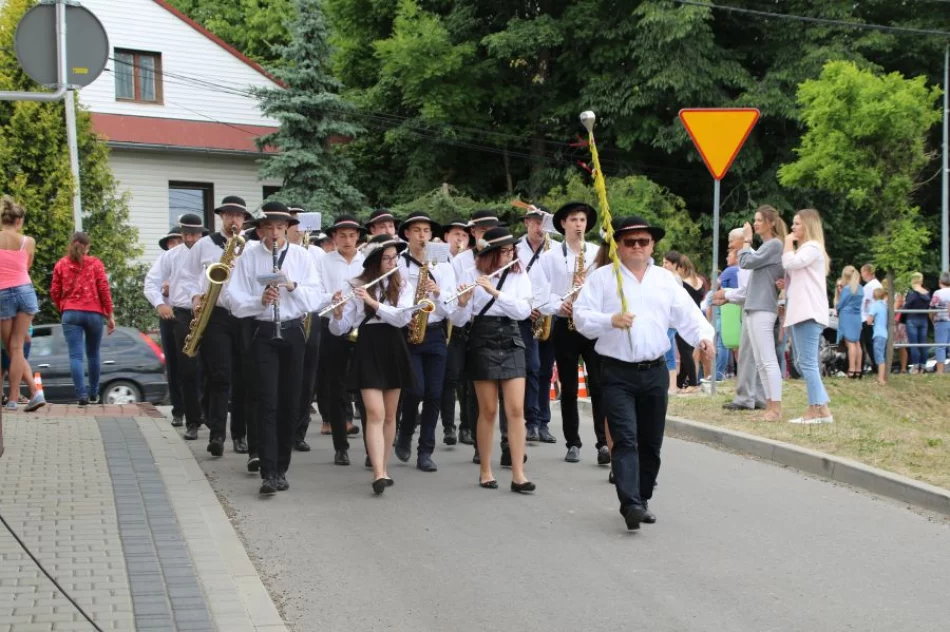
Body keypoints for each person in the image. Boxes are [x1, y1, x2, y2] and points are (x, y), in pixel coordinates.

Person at [573, 216, 713, 531]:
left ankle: (643, 496)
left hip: (654, 371)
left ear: (652, 245)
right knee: (625, 439)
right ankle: (630, 503)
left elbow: (688, 316)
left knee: (651, 443)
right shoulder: (602, 278)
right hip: (616, 371)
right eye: (630, 241)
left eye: (643, 241)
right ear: (618, 246)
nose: (637, 247)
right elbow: (581, 318)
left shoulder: (666, 280)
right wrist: (611, 319)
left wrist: (704, 337)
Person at [228, 202, 323, 495]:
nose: (274, 233)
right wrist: (261, 300)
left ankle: (282, 466)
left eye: (280, 228)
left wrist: (292, 286)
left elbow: (315, 299)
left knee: (290, 402)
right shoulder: (248, 257)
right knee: (266, 401)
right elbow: (234, 300)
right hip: (263, 332)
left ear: (287, 229)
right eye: (268, 227)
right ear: (260, 230)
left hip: (293, 331)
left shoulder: (302, 257)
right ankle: (269, 471)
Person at [329, 234, 415, 494]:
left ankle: (383, 467)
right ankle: (378, 472)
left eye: (394, 257)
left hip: (393, 345)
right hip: (368, 345)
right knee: (375, 413)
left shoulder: (403, 285)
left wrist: (373, 302)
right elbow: (341, 328)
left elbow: (401, 319)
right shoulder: (357, 284)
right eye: (387, 258)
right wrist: (337, 314)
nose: (392, 262)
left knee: (390, 415)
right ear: (375, 261)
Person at [456, 226, 535, 493]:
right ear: (490, 254)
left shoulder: (519, 274)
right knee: (488, 410)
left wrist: (496, 293)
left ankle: (518, 474)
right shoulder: (471, 274)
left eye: (511, 249)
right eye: (504, 251)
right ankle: (485, 470)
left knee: (515, 410)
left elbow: (524, 311)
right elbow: (458, 319)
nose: (510, 254)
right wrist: (463, 300)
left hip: (511, 337)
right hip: (482, 337)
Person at [537, 202, 606, 465]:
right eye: (574, 220)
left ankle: (602, 442)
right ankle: (573, 442)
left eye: (582, 220)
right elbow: (542, 295)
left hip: (591, 326)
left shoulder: (598, 253)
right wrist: (559, 304)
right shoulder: (550, 257)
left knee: (599, 384)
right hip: (565, 325)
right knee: (567, 388)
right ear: (563, 224)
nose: (579, 225)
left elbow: (606, 289)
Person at [394, 212, 461, 471]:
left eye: (426, 231)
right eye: (417, 231)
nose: (422, 236)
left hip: (434, 332)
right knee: (414, 390)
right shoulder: (399, 263)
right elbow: (391, 299)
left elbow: (453, 307)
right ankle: (405, 433)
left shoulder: (443, 265)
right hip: (408, 330)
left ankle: (425, 451)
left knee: (434, 393)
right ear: (407, 234)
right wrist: (406, 315)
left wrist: (438, 292)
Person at [316, 215, 366, 465]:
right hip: (331, 326)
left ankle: (372, 449)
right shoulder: (323, 261)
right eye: (342, 235)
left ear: (358, 236)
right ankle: (340, 445)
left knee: (367, 386)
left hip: (362, 327)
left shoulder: (367, 262)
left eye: (351, 235)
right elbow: (315, 291)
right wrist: (331, 300)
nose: (347, 240)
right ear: (334, 237)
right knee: (335, 387)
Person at [50, 232, 116, 405]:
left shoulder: (61, 264)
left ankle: (81, 396)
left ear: (71, 244)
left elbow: (54, 291)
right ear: (88, 246)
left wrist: (63, 307)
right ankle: (94, 393)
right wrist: (109, 315)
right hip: (94, 314)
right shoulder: (95, 264)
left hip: (71, 313)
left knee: (75, 357)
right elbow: (104, 290)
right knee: (93, 354)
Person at [782, 209, 833, 424]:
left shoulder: (812, 248)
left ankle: (816, 410)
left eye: (797, 224)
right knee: (804, 361)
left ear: (808, 226)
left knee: (808, 363)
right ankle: (821, 409)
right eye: (793, 225)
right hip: (803, 312)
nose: (793, 228)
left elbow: (789, 263)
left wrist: (787, 242)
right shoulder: (809, 250)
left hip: (808, 312)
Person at [738, 205, 786, 422]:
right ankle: (769, 404)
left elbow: (746, 262)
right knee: (759, 360)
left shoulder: (774, 245)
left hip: (763, 307)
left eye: (759, 220)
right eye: (755, 220)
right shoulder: (768, 246)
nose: (755, 224)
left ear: (770, 223)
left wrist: (747, 241)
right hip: (754, 305)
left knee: (768, 360)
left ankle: (776, 408)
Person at [167, 215, 211, 443]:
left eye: (194, 234)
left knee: (212, 366)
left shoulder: (210, 249)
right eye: (185, 234)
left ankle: (212, 418)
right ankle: (193, 420)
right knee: (187, 366)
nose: (189, 238)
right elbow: (152, 281)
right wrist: (160, 303)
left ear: (201, 234)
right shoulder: (172, 255)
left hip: (211, 310)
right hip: (184, 312)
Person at [514, 205, 556, 444]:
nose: (540, 228)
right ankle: (531, 420)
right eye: (536, 222)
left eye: (544, 223)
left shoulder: (556, 249)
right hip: (525, 314)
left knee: (546, 370)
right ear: (526, 223)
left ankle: (543, 423)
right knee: (532, 367)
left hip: (549, 313)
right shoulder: (516, 249)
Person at [0, 196, 45, 412]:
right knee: (17, 346)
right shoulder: (29, 241)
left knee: (10, 347)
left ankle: (16, 398)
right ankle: (16, 398)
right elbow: (27, 266)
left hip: (2, 294)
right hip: (25, 292)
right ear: (19, 221)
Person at [287, 205, 325, 453]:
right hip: (288, 320)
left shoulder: (317, 253)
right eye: (295, 226)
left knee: (307, 379)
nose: (300, 230)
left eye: (303, 226)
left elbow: (320, 288)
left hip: (311, 317)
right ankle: (284, 428)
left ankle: (299, 431)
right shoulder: (283, 253)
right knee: (289, 379)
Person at [440, 218, 477, 446]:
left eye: (464, 235)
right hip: (445, 322)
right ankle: (448, 427)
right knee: (449, 378)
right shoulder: (439, 258)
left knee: (467, 380)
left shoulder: (471, 260)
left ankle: (466, 426)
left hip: (465, 322)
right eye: (455, 234)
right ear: (446, 237)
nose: (460, 239)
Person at [144, 228, 185, 425]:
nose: (176, 245)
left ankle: (200, 409)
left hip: (192, 313)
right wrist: (161, 299)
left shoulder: (194, 257)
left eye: (179, 240)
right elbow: (151, 284)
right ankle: (178, 410)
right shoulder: (165, 261)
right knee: (174, 363)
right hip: (170, 315)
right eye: (172, 242)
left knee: (198, 364)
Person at [834, 265, 864, 378]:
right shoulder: (860, 288)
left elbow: (840, 304)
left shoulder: (847, 289)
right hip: (857, 316)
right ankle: (858, 369)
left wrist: (837, 306)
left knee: (850, 343)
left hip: (847, 316)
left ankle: (851, 370)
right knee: (857, 343)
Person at [903, 272, 931, 373]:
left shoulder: (912, 293)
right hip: (923, 319)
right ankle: (923, 365)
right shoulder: (927, 293)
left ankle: (915, 366)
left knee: (914, 344)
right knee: (923, 343)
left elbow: (907, 306)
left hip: (912, 319)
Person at [859, 264, 882, 373]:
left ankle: (875, 365)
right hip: (876, 317)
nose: (861, 275)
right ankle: (877, 365)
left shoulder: (868, 286)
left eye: (862, 272)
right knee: (874, 343)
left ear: (867, 272)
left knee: (869, 343)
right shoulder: (878, 284)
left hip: (867, 317)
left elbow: (865, 303)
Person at [867, 288, 890, 385]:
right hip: (885, 333)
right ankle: (881, 377)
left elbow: (869, 321)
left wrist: (870, 321)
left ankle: (881, 378)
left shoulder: (874, 305)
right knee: (882, 356)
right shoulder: (885, 306)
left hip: (878, 333)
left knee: (879, 357)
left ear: (873, 295)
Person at [931, 271, 950, 374]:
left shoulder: (938, 293)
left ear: (940, 281)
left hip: (941, 321)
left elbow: (932, 308)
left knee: (941, 346)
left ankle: (940, 371)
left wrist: (932, 320)